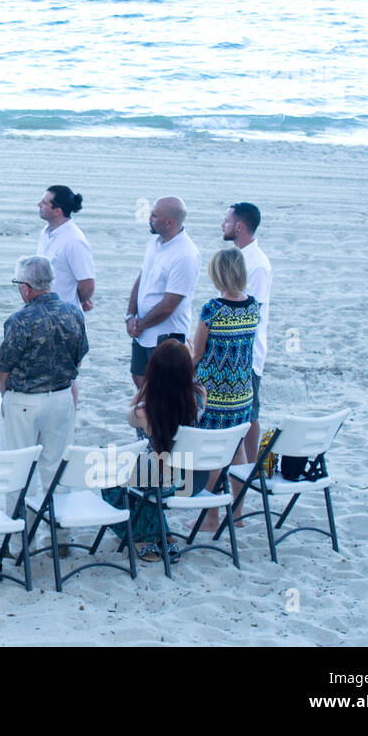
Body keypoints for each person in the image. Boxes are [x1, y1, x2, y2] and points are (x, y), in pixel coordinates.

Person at [0, 255, 88, 512]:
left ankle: (19, 541)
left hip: (25, 400)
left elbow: (2, 369)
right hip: (60, 397)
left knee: (19, 468)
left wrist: (7, 396)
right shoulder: (73, 314)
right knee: (56, 467)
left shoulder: (21, 319)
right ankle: (60, 533)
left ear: (26, 287)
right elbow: (79, 358)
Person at [114, 339, 208, 559]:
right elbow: (192, 382)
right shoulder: (198, 399)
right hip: (193, 481)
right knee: (147, 475)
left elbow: (130, 409)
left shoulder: (143, 412)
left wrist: (148, 383)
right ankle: (165, 534)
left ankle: (144, 536)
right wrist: (190, 360)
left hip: (161, 484)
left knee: (113, 478)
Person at [192, 248, 260, 529]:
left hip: (215, 393)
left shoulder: (213, 308)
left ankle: (210, 517)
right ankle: (238, 514)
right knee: (238, 451)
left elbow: (198, 352)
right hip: (242, 391)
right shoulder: (254, 305)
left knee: (213, 454)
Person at [126, 196, 201, 390]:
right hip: (142, 329)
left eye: (154, 215)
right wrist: (130, 316)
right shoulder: (154, 242)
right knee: (139, 376)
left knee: (164, 387)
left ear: (170, 222)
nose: (149, 218)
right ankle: (151, 417)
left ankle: (160, 419)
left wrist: (140, 325)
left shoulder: (185, 255)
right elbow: (142, 278)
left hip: (166, 336)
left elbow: (169, 305)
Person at [36, 185, 94, 407]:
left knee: (67, 374)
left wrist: (78, 299)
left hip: (64, 318)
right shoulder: (47, 233)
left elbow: (87, 283)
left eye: (44, 202)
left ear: (57, 210)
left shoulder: (74, 241)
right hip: (44, 312)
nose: (39, 205)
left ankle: (69, 416)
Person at [222, 201, 271, 466]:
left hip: (248, 352)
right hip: (229, 348)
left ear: (239, 226)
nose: (223, 225)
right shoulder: (238, 258)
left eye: (227, 221)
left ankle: (250, 466)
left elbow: (254, 310)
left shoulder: (257, 264)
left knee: (250, 413)